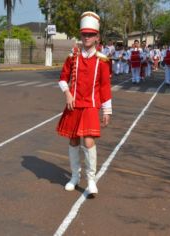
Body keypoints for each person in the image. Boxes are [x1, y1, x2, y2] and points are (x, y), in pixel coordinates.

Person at [56, 11, 112, 196]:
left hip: (90, 106)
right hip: (74, 104)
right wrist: (67, 94)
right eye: (84, 34)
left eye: (90, 34)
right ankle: (74, 176)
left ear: (97, 37)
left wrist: (106, 110)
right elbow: (63, 78)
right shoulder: (73, 57)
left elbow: (105, 87)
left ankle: (91, 179)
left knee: (88, 142)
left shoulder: (103, 61)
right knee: (73, 141)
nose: (87, 37)